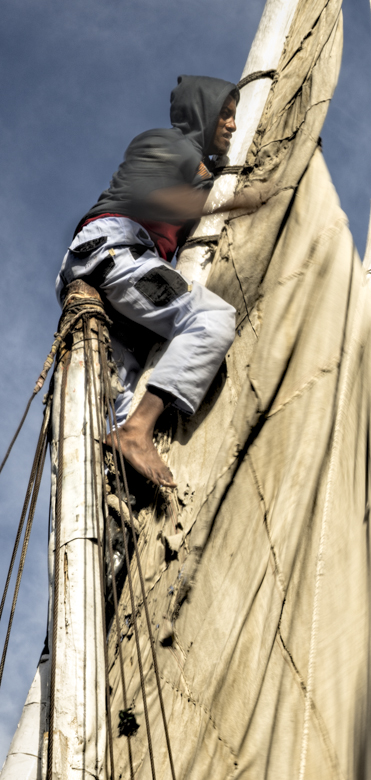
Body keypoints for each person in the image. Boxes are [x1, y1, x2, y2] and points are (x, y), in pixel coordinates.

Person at [56, 75, 269, 488]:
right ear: (201, 114)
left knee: (119, 398)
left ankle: (115, 483)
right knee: (210, 317)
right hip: (117, 251)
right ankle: (138, 432)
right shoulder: (166, 144)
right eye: (224, 114)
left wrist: (211, 179)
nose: (232, 125)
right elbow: (150, 198)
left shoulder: (192, 164)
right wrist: (237, 200)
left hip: (113, 268)